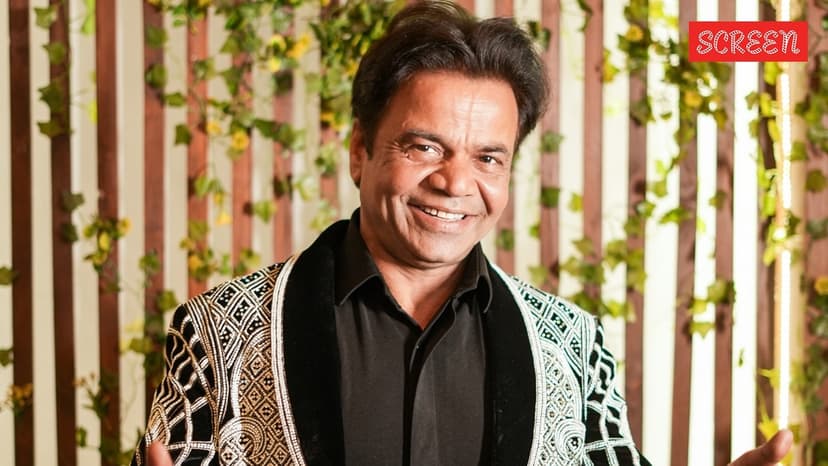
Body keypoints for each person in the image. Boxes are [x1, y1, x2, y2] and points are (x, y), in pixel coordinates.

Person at [132, 2, 793, 465]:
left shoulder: (572, 347)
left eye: (488, 158)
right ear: (360, 150)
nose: (455, 182)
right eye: (425, 146)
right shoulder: (217, 333)